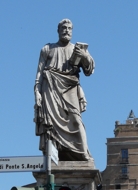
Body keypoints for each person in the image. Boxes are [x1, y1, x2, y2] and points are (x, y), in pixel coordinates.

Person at [34, 19, 95, 161]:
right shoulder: (47, 49)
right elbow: (39, 72)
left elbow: (89, 70)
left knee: (76, 120)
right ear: (58, 30)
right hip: (49, 87)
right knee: (51, 125)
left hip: (70, 88)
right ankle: (53, 156)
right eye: (63, 28)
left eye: (69, 28)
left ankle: (83, 152)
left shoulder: (77, 49)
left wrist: (85, 56)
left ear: (72, 31)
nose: (66, 30)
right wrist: (36, 92)